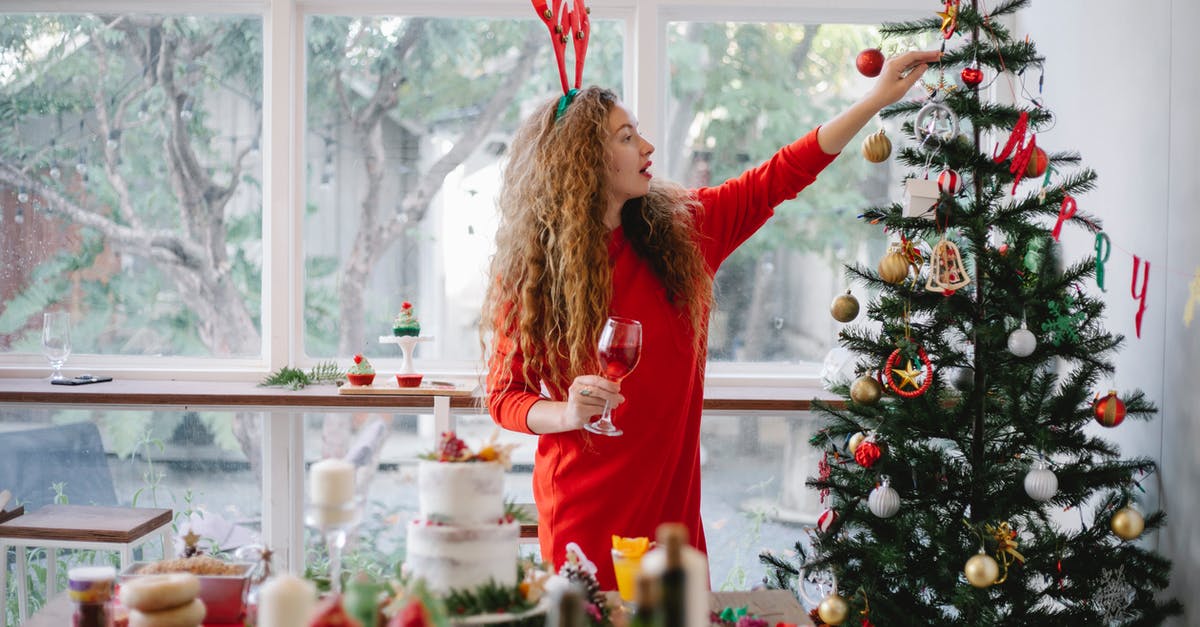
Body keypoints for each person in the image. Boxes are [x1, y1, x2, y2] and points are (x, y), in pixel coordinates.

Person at [483, 49, 941, 589]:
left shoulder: (682, 234)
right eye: (626, 137)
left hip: (671, 520)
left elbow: (781, 174)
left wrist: (877, 99)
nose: (647, 146)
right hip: (582, 510)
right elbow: (503, 396)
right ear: (584, 160)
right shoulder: (536, 272)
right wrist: (563, 413)